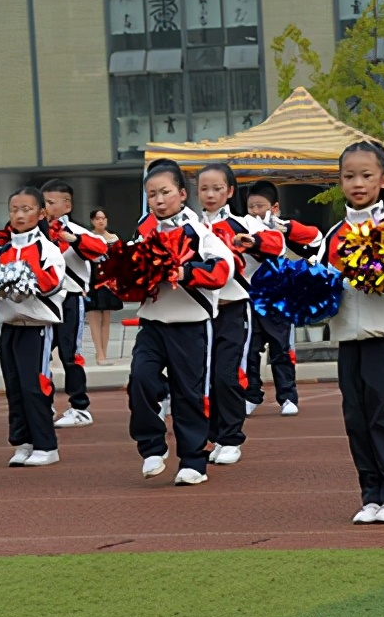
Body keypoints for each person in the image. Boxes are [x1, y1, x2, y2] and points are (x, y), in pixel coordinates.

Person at [317, 141, 384, 524]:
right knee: (356, 419)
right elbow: (321, 287)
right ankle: (371, 494)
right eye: (349, 176)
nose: (357, 183)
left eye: (366, 175)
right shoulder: (333, 235)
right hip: (348, 341)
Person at [127, 159, 233, 486]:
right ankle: (152, 447)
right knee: (140, 379)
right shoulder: (143, 232)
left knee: (189, 394)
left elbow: (222, 271)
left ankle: (192, 461)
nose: (158, 200)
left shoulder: (199, 231)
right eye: (151, 194)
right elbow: (127, 280)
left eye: (165, 192)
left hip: (192, 325)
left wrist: (186, 273)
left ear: (182, 194)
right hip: (153, 325)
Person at [198, 163, 289, 464]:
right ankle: (210, 436)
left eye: (217, 188)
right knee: (202, 377)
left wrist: (254, 243)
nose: (210, 194)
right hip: (198, 314)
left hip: (234, 309)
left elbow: (277, 244)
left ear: (230, 191)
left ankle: (231, 437)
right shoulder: (190, 226)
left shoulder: (243, 223)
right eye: (204, 188)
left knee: (227, 375)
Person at [0, 187, 67, 469]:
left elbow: (53, 283)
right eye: (14, 209)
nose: (20, 215)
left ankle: (46, 445)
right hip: (9, 326)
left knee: (34, 385)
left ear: (41, 213)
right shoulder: (1, 251)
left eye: (26, 209)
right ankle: (22, 442)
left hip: (37, 326)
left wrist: (26, 277)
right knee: (13, 385)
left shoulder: (48, 248)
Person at [243, 180, 323, 417]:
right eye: (251, 207)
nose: (255, 211)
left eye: (260, 206)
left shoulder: (284, 229)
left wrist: (285, 228)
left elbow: (316, 239)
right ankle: (251, 395)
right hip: (250, 299)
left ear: (274, 207)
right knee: (250, 351)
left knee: (281, 350)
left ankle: (287, 396)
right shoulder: (242, 226)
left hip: (279, 301)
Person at [41, 180, 109, 429]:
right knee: (40, 354)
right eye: (43, 202)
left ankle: (79, 407)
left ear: (66, 204)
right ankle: (43, 403)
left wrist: (71, 239)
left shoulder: (79, 231)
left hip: (69, 299)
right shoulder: (36, 234)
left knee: (70, 354)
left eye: (50, 202)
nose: (45, 207)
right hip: (42, 302)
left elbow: (100, 248)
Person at [84, 208, 122, 367]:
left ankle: (103, 354)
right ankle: (98, 353)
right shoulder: (88, 238)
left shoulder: (113, 238)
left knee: (106, 318)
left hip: (109, 281)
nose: (101, 221)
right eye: (98, 218)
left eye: (104, 218)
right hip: (93, 279)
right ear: (92, 221)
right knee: (94, 318)